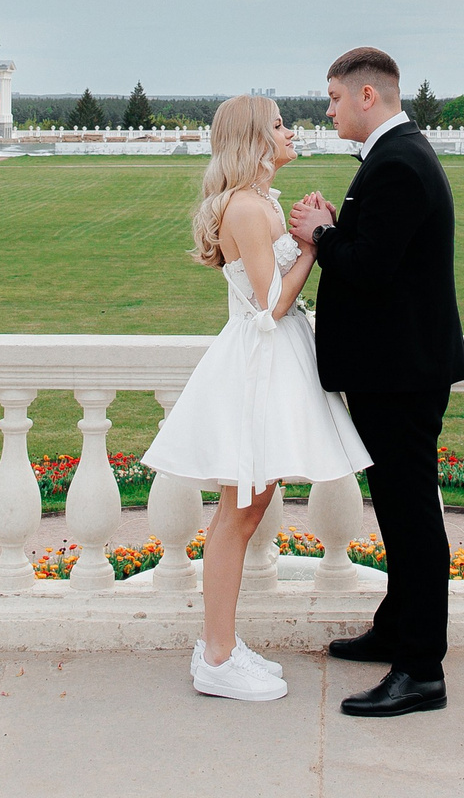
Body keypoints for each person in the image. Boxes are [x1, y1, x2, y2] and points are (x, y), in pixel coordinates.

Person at [141, 95, 371, 702]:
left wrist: (306, 230)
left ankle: (221, 646)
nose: (290, 131)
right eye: (278, 125)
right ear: (255, 140)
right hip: (257, 367)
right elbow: (270, 307)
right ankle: (216, 655)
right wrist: (317, 247)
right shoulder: (246, 207)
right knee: (238, 514)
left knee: (246, 508)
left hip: (271, 363)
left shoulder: (262, 202)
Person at [291, 47, 464, 719]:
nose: (328, 110)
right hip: (397, 370)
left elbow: (369, 268)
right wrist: (336, 229)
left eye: (334, 99)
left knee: (412, 517)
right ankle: (397, 630)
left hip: (401, 374)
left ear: (369, 97)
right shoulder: (398, 158)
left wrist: (320, 233)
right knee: (400, 513)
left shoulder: (398, 164)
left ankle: (421, 669)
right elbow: (381, 256)